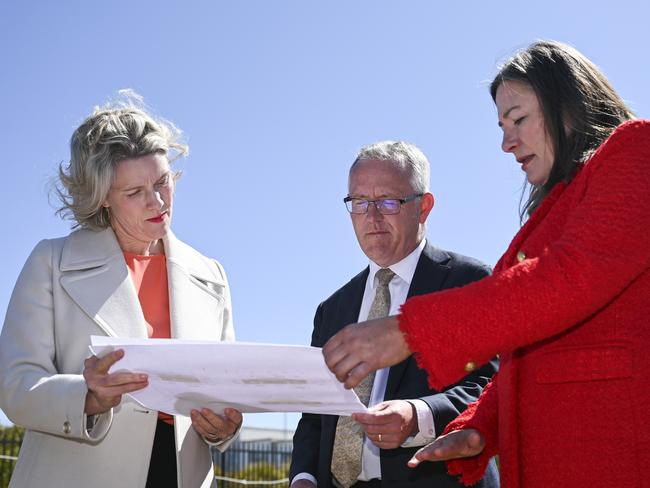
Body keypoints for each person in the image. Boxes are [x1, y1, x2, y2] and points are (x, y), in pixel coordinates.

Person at [322, 40, 650, 487]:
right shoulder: (555, 206)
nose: (505, 142)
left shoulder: (636, 148)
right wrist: (479, 426)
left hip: (614, 455)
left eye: (518, 119)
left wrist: (409, 330)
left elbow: (567, 278)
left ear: (569, 105)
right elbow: (529, 352)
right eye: (501, 125)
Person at [0, 98, 243, 488]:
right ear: (101, 198)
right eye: (135, 192)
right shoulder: (50, 262)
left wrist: (223, 427)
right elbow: (15, 386)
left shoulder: (211, 274)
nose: (158, 201)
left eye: (163, 181)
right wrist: (88, 396)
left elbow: (225, 390)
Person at [290, 141, 499, 488]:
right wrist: (304, 477)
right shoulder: (332, 309)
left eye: (388, 201)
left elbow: (490, 386)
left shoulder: (470, 282)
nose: (372, 218)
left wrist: (420, 416)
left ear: (424, 207)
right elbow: (314, 414)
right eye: (360, 203)